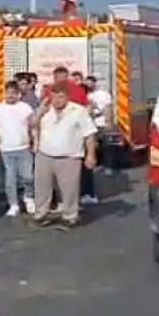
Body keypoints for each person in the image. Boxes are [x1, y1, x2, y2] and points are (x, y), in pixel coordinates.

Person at [30, 82, 98, 227]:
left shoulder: (78, 111)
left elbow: (89, 134)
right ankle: (41, 214)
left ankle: (70, 216)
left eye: (60, 97)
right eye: (54, 97)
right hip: (45, 154)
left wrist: (90, 155)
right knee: (42, 188)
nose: (57, 101)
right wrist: (39, 113)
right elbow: (32, 125)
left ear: (67, 96)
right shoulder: (45, 109)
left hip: (69, 156)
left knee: (69, 189)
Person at [0, 81, 35, 216]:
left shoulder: (25, 107)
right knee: (10, 179)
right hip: (6, 149)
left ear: (18, 94)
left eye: (13, 93)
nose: (10, 96)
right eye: (8, 93)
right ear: (4, 93)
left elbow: (32, 126)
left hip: (24, 147)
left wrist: (34, 141)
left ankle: (29, 198)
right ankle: (13, 204)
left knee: (28, 176)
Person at [85, 74, 115, 176]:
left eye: (90, 83)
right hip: (91, 125)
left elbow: (108, 108)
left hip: (102, 124)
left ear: (94, 83)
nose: (89, 85)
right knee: (92, 146)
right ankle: (94, 166)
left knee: (106, 147)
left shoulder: (103, 94)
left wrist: (109, 122)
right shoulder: (86, 95)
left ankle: (109, 167)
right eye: (87, 83)